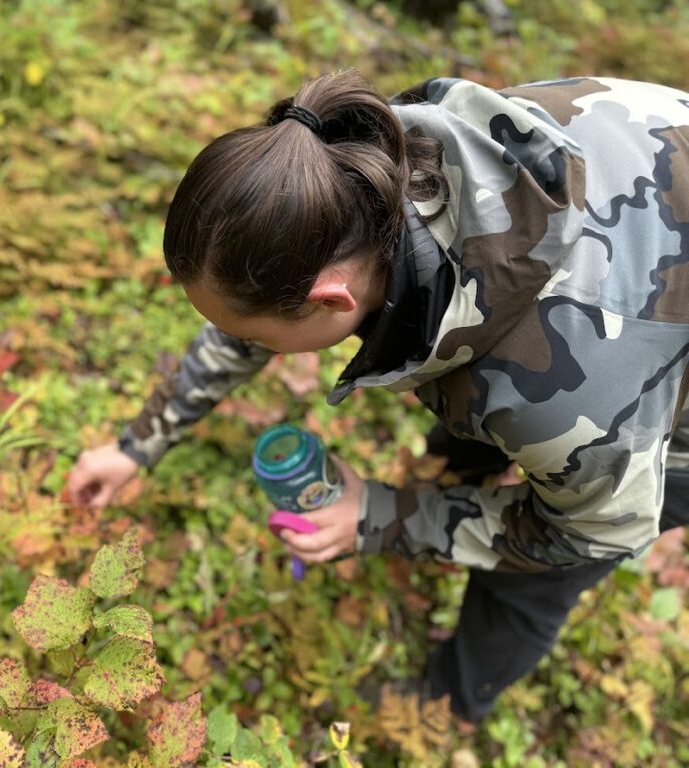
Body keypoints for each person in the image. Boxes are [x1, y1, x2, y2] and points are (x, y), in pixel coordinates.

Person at [65, 69, 689, 724]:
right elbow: (260, 304)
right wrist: (137, 445)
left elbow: (595, 533)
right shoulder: (359, 163)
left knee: (527, 576)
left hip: (632, 347)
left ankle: (443, 709)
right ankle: (459, 490)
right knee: (485, 416)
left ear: (331, 297)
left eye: (252, 333)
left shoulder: (570, 391)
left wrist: (381, 516)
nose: (244, 340)